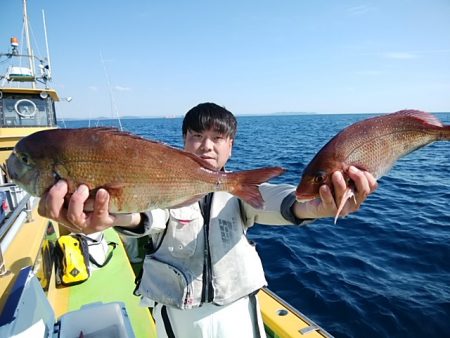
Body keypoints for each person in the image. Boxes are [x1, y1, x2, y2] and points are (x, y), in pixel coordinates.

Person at [38, 103, 377, 338]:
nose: (206, 146)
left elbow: (281, 203)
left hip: (239, 311)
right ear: (183, 142)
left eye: (217, 138)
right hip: (177, 316)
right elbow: (145, 216)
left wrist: (317, 205)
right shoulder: (161, 184)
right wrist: (111, 216)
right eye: (196, 136)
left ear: (230, 146)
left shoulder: (238, 190)